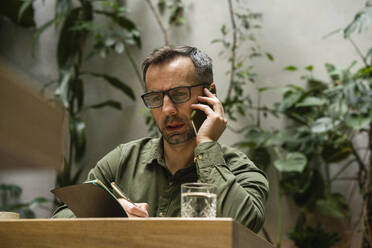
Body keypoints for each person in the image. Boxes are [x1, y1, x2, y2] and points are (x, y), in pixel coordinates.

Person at [53, 46, 269, 233]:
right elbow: (59, 218)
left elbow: (244, 226)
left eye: (179, 94)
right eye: (156, 98)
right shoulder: (124, 160)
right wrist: (109, 214)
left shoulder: (239, 170)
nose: (167, 109)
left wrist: (206, 146)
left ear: (210, 94)